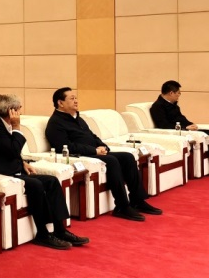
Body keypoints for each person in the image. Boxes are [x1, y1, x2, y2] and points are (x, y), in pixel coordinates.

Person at [0, 94, 89, 250]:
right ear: (11, 111)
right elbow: (13, 149)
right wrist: (17, 127)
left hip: (11, 168)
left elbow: (8, 151)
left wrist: (23, 162)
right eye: (18, 108)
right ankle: (42, 234)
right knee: (36, 184)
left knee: (51, 181)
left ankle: (60, 230)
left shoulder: (3, 123)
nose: (21, 111)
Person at [45, 87, 161, 221]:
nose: (76, 101)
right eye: (72, 98)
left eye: (76, 98)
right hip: (80, 155)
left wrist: (103, 146)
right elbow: (65, 147)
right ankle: (122, 206)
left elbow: (92, 136)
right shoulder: (55, 123)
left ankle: (137, 200)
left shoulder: (78, 118)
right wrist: (94, 151)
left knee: (127, 157)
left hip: (94, 151)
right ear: (60, 103)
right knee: (112, 161)